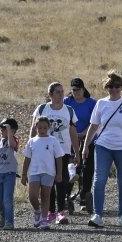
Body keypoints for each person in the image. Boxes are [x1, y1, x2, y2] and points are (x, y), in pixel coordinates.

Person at [82, 72, 122, 228]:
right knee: (99, 179)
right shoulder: (101, 104)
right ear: (106, 87)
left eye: (117, 86)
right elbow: (94, 126)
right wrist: (85, 146)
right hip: (103, 146)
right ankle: (97, 215)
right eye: (110, 86)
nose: (114, 89)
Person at [32, 82, 80, 225]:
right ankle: (51, 211)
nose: (61, 94)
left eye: (62, 91)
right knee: (48, 182)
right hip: (44, 151)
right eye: (58, 92)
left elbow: (73, 132)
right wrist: (32, 146)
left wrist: (77, 152)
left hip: (63, 151)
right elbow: (33, 129)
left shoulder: (69, 110)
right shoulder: (42, 109)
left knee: (62, 180)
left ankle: (61, 212)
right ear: (50, 94)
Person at [21, 116, 64, 229]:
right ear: (36, 128)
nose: (42, 130)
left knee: (46, 196)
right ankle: (37, 210)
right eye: (40, 127)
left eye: (45, 127)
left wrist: (59, 173)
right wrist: (24, 174)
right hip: (34, 172)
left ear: (48, 128)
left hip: (49, 172)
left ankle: (44, 220)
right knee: (33, 196)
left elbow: (58, 158)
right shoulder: (32, 141)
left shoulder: (53, 140)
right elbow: (27, 158)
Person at [64, 78, 96, 213]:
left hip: (88, 139)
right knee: (72, 169)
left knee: (87, 169)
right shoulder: (67, 102)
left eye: (78, 89)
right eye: (74, 90)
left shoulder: (91, 103)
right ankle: (66, 196)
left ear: (83, 89)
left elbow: (94, 121)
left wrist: (83, 133)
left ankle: (84, 196)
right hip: (70, 140)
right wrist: (73, 134)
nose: (76, 92)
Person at [0, 117, 19, 229]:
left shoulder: (14, 140)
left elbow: (12, 145)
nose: (2, 131)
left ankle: (9, 222)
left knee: (7, 198)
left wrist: (10, 132)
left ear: (12, 130)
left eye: (4, 129)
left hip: (9, 173)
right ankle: (3, 216)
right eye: (1, 129)